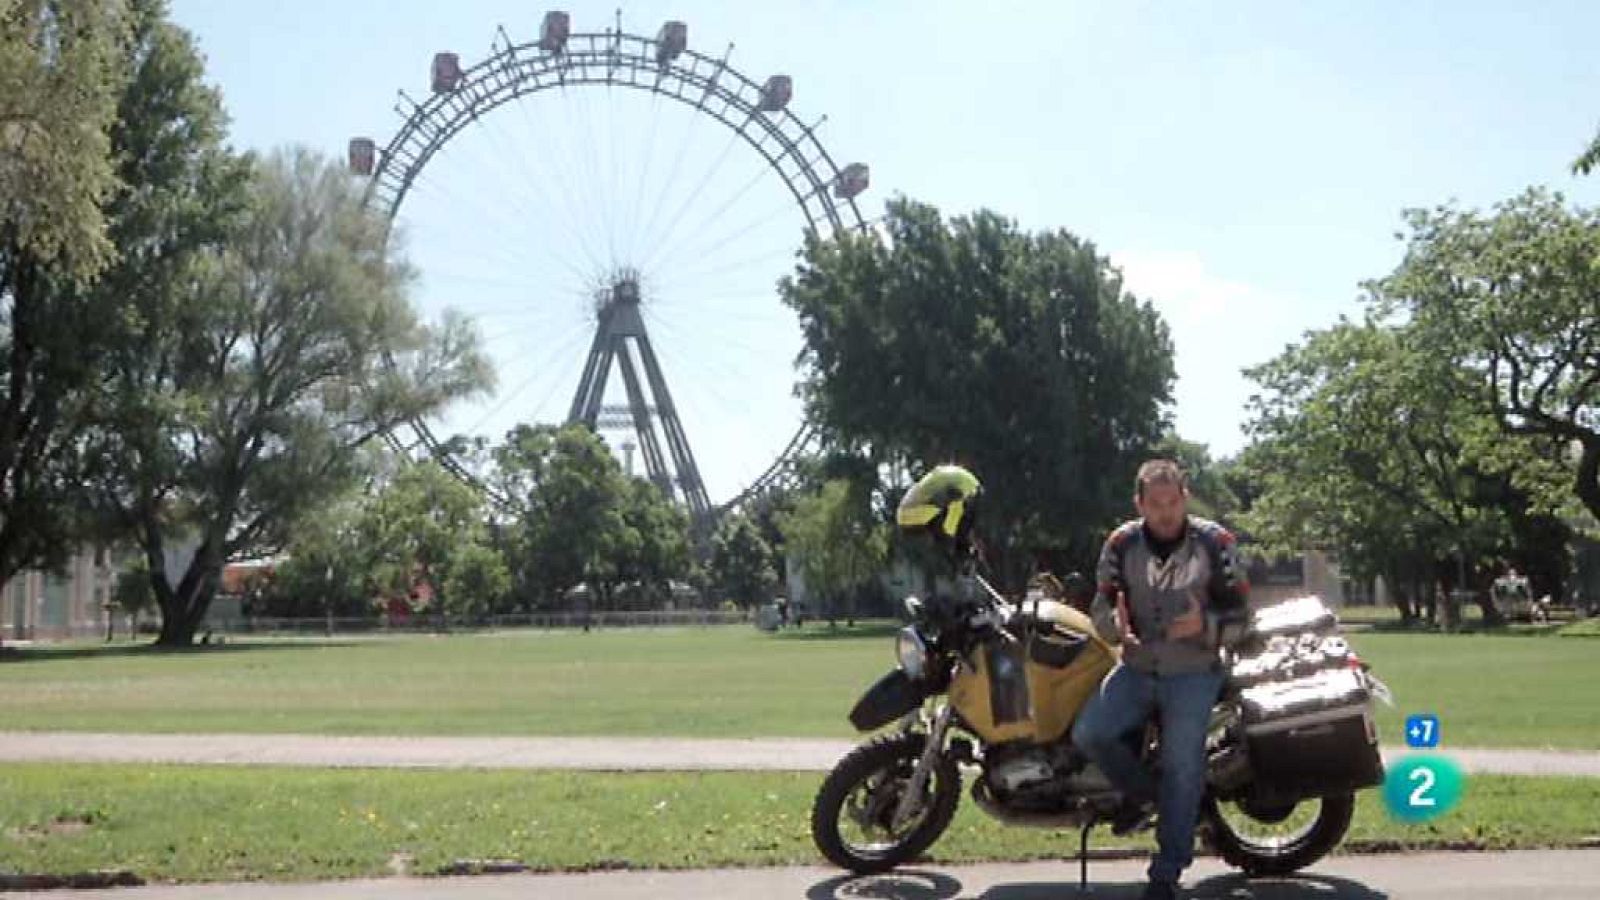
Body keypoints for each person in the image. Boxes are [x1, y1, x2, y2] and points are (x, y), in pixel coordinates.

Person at [1072, 459, 1250, 900]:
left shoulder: (1216, 543)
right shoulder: (1120, 544)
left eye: (1173, 501)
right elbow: (1100, 608)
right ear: (1140, 504)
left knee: (1182, 762)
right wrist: (1115, 628)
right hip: (1136, 667)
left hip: (1194, 671)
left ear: (1185, 498)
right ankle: (1152, 797)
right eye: (1155, 503)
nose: (1166, 512)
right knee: (1090, 733)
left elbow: (1243, 617)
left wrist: (1205, 625)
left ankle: (1166, 872)